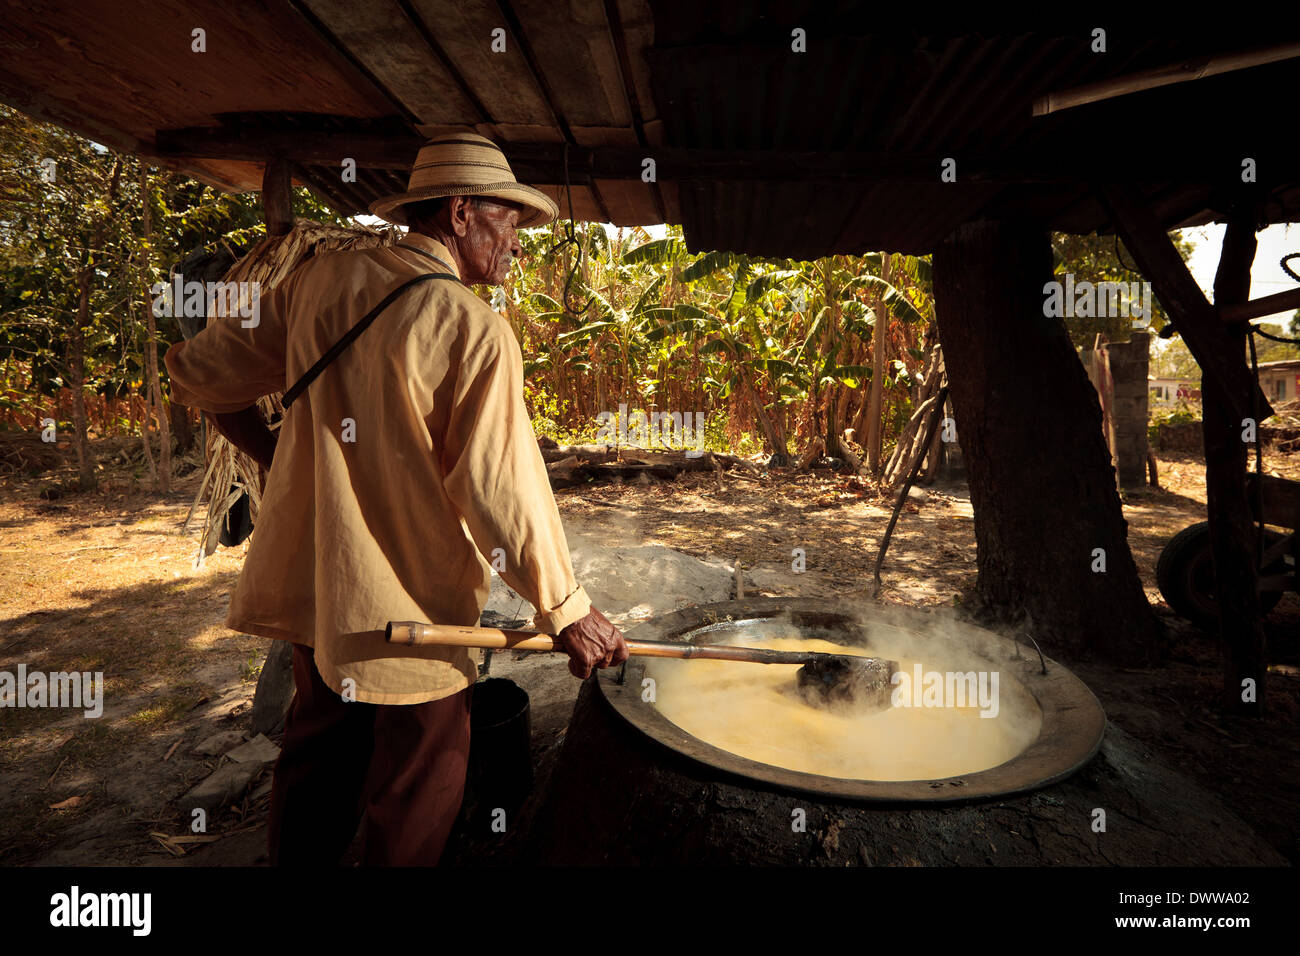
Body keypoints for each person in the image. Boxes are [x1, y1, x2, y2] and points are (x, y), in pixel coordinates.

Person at [164, 132, 628, 866]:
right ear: (461, 209)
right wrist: (566, 608)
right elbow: (501, 489)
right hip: (414, 608)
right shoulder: (472, 329)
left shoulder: (317, 283)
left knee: (318, 759)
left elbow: (203, 377)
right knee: (420, 784)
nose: (518, 241)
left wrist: (280, 454)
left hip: (322, 594)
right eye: (509, 220)